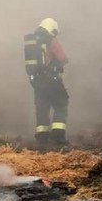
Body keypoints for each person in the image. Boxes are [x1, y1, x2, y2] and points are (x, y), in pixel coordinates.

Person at [23, 17, 69, 149]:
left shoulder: (33, 42)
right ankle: (58, 137)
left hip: (37, 80)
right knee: (61, 104)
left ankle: (42, 138)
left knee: (42, 107)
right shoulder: (52, 40)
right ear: (52, 29)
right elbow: (63, 58)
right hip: (52, 80)